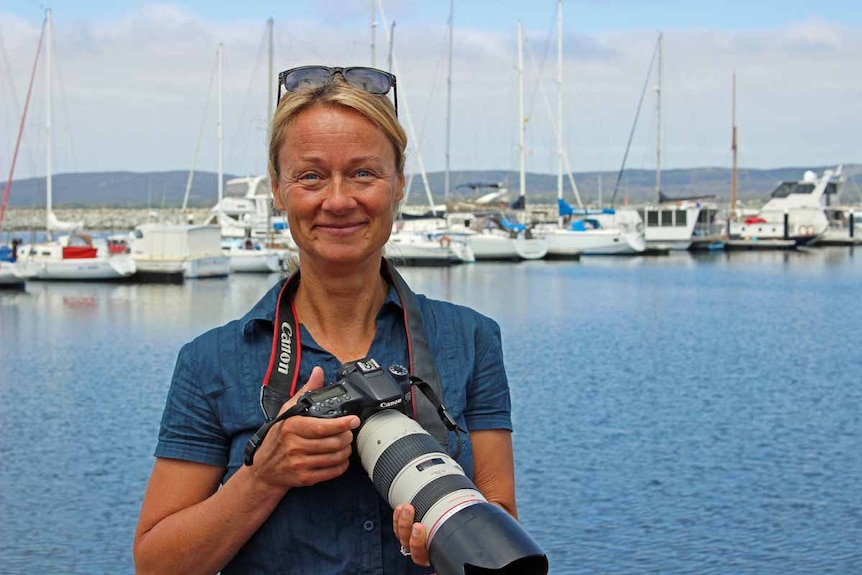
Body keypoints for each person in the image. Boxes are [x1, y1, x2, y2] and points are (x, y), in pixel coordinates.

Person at [134, 65, 517, 574]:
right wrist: (263, 477)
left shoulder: (470, 339)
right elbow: (156, 565)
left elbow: (501, 523)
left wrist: (450, 542)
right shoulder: (212, 363)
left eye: (363, 173)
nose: (338, 201)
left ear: (399, 183)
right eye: (311, 175)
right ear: (277, 189)